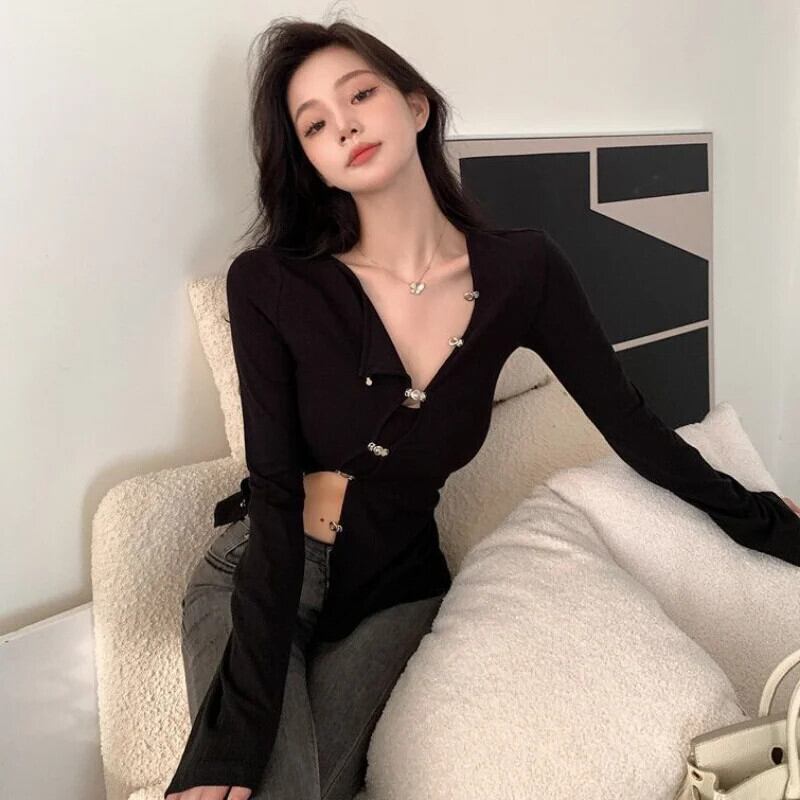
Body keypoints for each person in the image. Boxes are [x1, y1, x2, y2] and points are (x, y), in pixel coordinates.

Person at [164, 14, 800, 800]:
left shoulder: (523, 270)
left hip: (396, 592)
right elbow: (272, 491)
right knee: (249, 782)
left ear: (415, 105)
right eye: (316, 125)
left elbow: (634, 427)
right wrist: (232, 742)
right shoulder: (270, 284)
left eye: (359, 94)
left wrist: (771, 524)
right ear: (312, 163)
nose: (345, 126)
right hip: (264, 570)